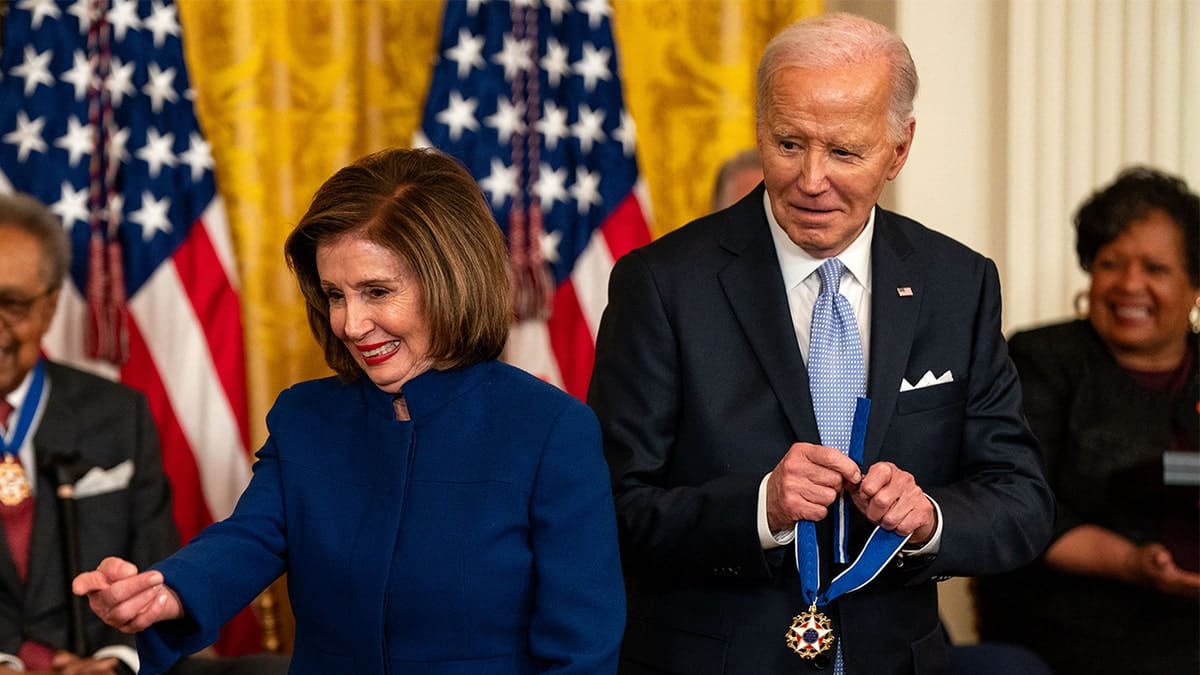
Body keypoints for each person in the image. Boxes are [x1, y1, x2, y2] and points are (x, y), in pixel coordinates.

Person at [588, 12, 1054, 675]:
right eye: (788, 143)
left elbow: (1021, 502)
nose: (810, 179)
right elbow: (611, 509)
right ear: (760, 129)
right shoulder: (662, 284)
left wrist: (929, 516)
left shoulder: (958, 283)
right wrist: (760, 508)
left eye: (844, 152)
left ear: (899, 149)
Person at [73, 147, 626, 674]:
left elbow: (581, 652)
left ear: (452, 281)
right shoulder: (305, 417)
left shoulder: (551, 431)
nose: (350, 324)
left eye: (376, 292)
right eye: (335, 295)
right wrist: (166, 592)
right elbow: (249, 540)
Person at [974, 166, 1200, 674]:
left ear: (1194, 286)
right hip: (1073, 624)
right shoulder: (1041, 359)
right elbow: (1019, 504)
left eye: (1155, 269)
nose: (1129, 285)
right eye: (1110, 264)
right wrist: (1132, 563)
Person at [0, 193, 179, 674]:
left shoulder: (119, 415)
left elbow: (157, 565)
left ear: (49, 307)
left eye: (11, 304)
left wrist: (114, 662)